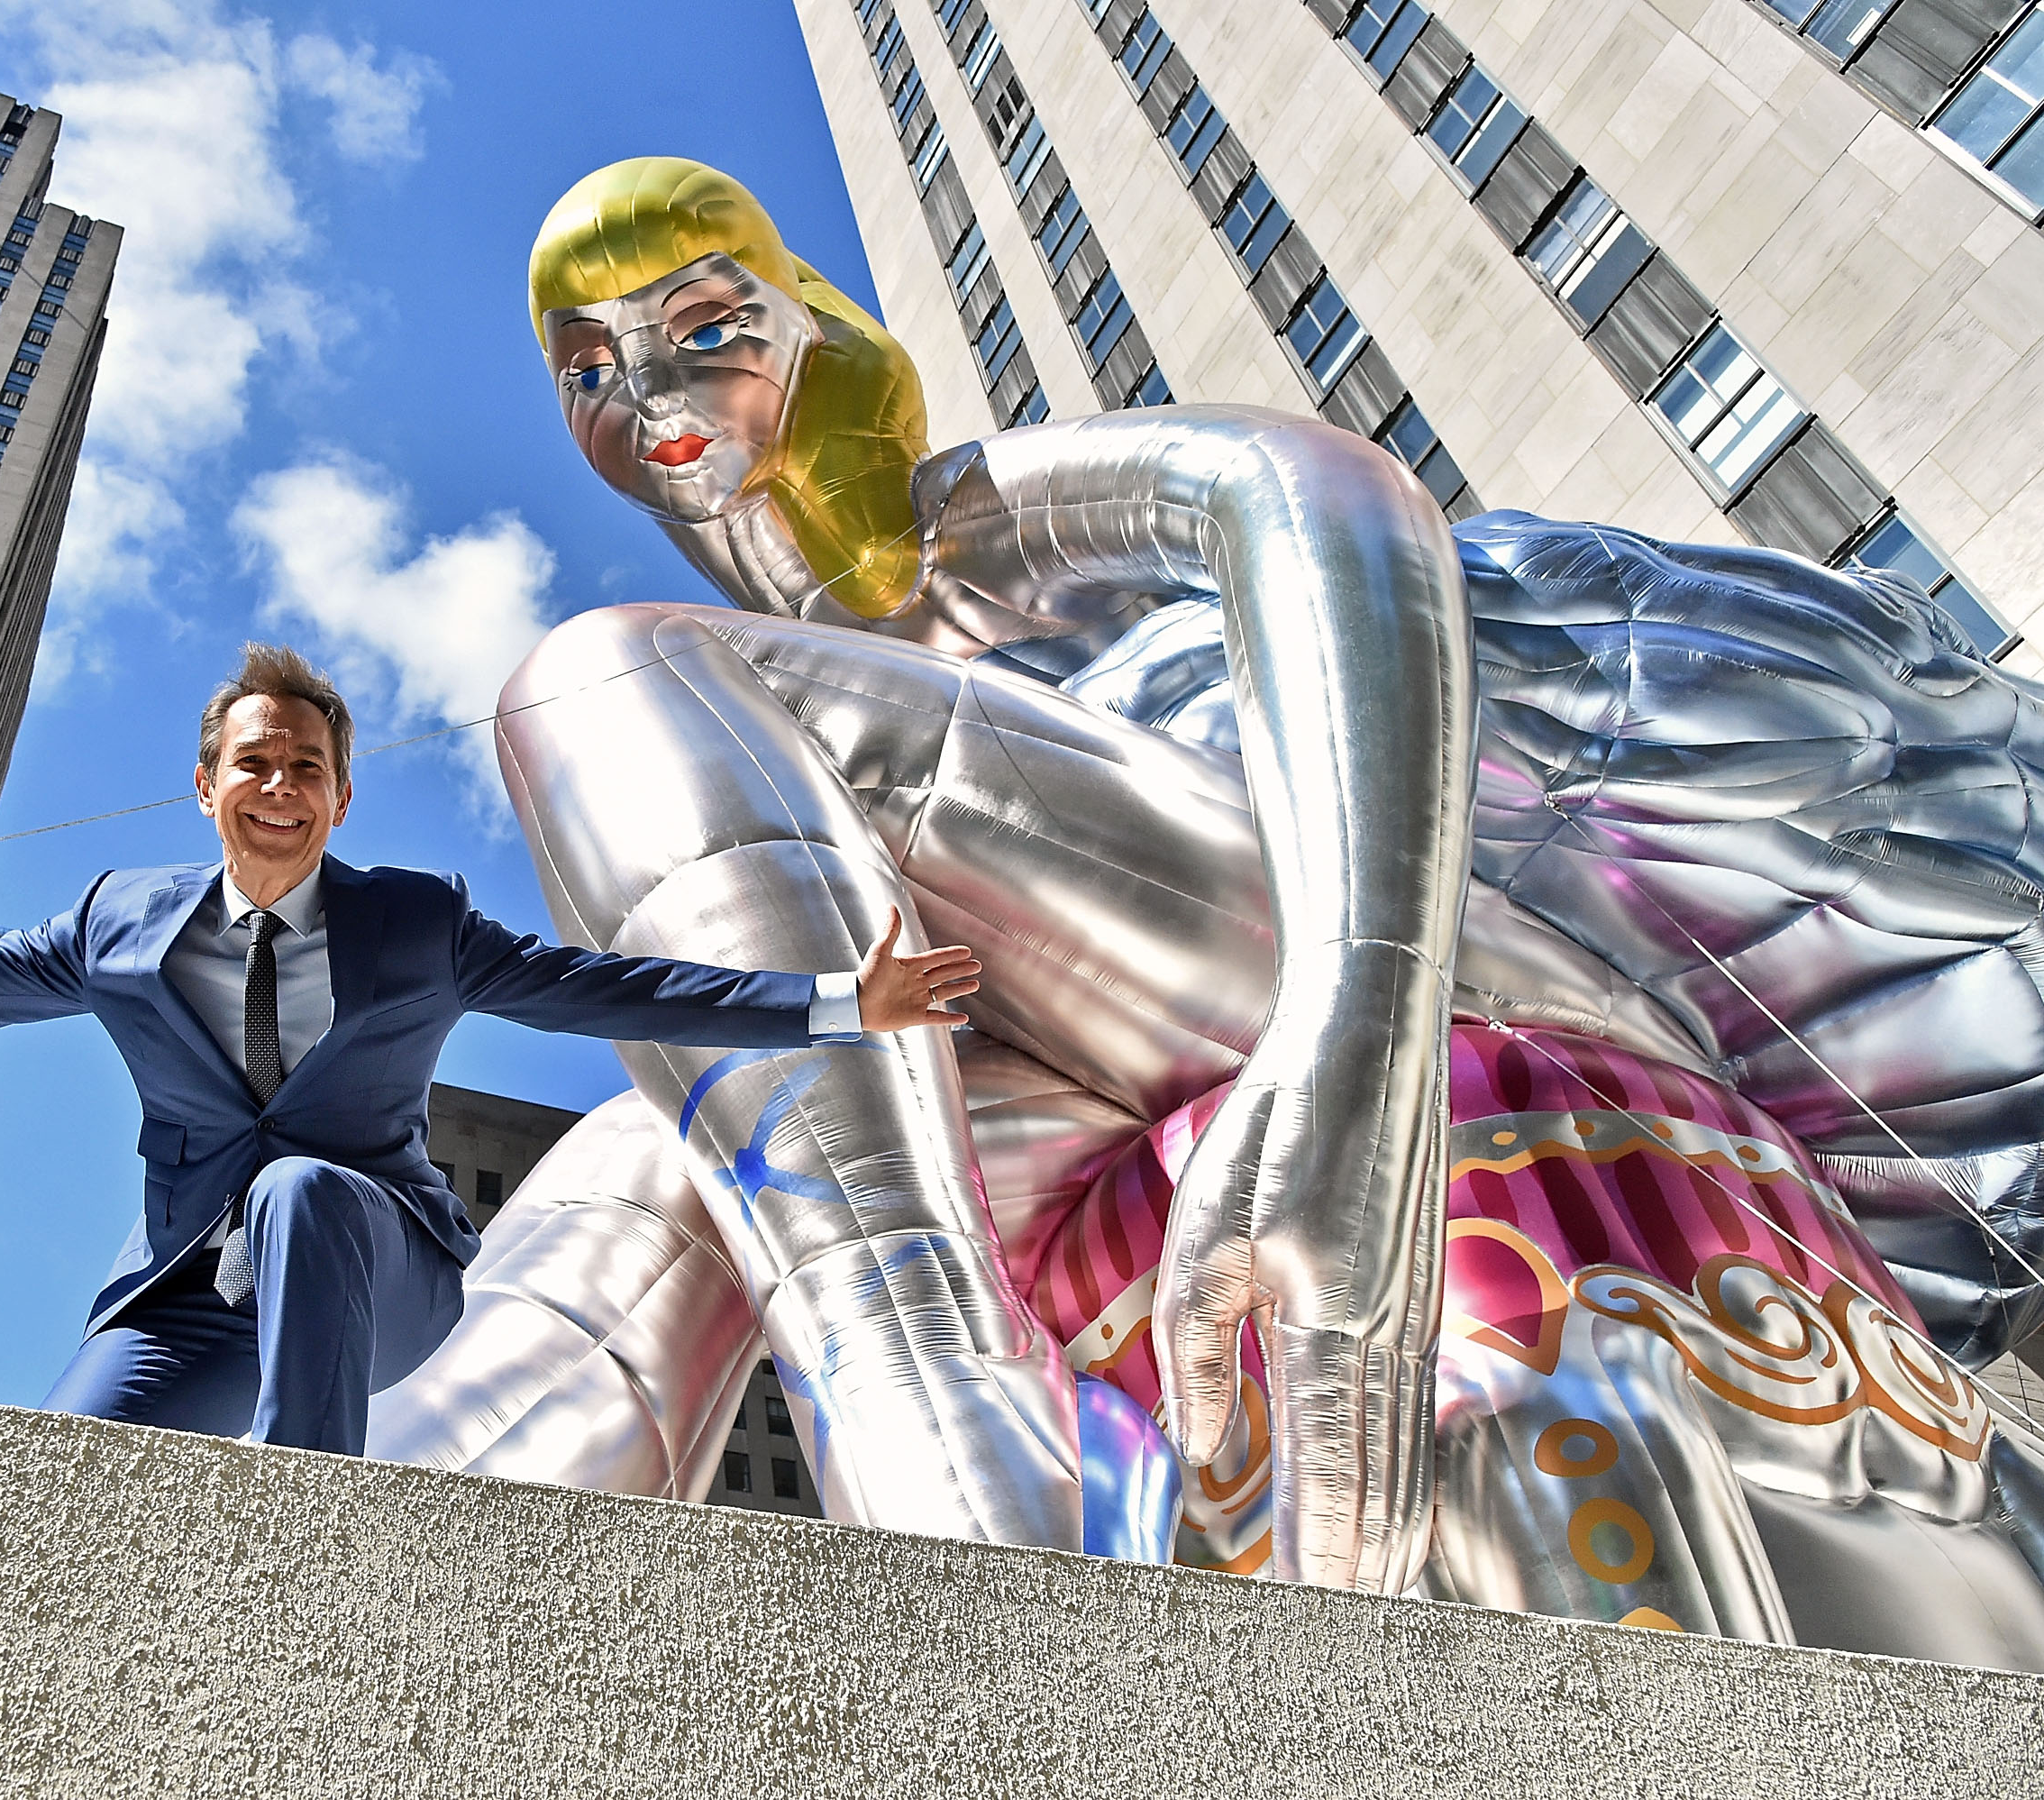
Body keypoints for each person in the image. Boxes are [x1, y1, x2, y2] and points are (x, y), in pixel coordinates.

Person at [368, 158, 2044, 1665]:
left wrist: (1355, 1024)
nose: (647, 389)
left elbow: (1319, 495)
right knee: (657, 1155)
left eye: (699, 323)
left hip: (1420, 975)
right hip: (1098, 1104)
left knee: (606, 678)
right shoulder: (787, 760)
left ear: (809, 321)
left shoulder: (974, 533)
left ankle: (939, 1428)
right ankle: (354, 1588)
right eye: (589, 369)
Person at [0, 643, 983, 1456]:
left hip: (378, 1275)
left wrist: (836, 1003)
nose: (280, 789)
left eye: (306, 770)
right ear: (208, 785)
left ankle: (307, 1541)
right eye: (255, 763)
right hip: (197, 1298)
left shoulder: (416, 925)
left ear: (337, 796)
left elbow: (602, 987)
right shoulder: (116, 927)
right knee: (62, 1471)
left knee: (303, 1187)